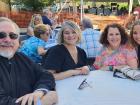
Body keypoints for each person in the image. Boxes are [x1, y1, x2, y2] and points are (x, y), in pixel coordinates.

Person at [0, 17, 57, 105]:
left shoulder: (20, 57)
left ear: (18, 41)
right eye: (1, 35)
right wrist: (41, 102)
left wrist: (39, 91)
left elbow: (45, 74)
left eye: (12, 36)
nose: (8, 40)